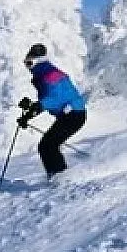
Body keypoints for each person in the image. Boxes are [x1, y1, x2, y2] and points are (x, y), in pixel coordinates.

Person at [17, 43, 87, 179]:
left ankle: (60, 177)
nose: (27, 67)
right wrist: (30, 111)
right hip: (69, 115)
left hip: (74, 114)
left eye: (29, 63)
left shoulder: (50, 74)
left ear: (37, 61)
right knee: (47, 145)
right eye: (25, 63)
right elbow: (52, 99)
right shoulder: (45, 74)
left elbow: (55, 98)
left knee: (48, 145)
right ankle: (57, 176)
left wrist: (35, 108)